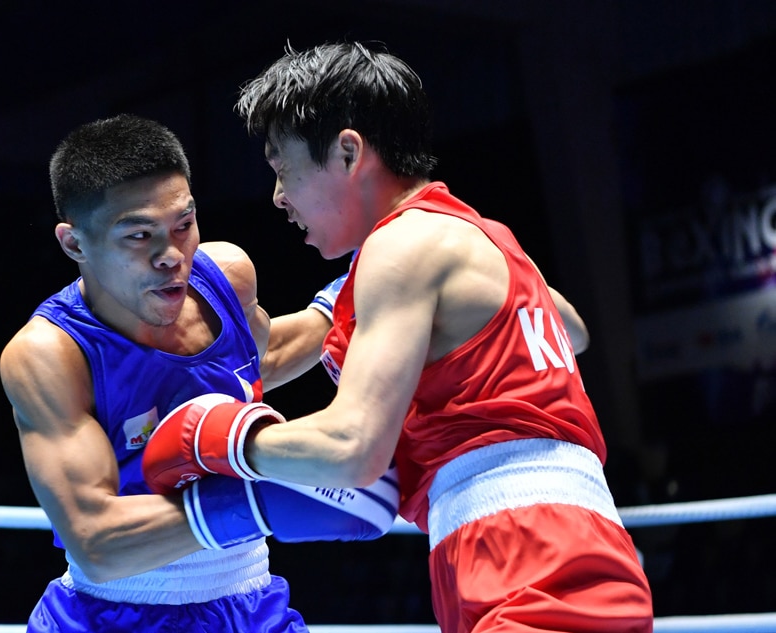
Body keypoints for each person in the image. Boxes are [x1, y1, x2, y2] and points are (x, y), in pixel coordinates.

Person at [143, 42, 654, 631]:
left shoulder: (402, 245)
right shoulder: (483, 239)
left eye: (284, 169)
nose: (278, 196)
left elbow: (353, 449)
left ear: (348, 151)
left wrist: (220, 441)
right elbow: (575, 331)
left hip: (527, 553)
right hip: (534, 544)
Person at [0, 113, 399, 632]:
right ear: (75, 245)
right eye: (139, 236)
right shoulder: (51, 354)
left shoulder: (226, 278)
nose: (171, 256)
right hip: (114, 616)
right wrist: (254, 503)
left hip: (251, 603)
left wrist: (355, 295)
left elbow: (260, 361)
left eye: (183, 224)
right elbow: (94, 542)